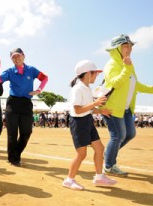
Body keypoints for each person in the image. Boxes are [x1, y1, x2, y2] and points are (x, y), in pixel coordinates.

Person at [102, 34, 153, 176]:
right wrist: (126, 67)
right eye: (125, 45)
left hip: (126, 109)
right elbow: (116, 83)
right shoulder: (111, 64)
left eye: (131, 46)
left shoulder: (128, 64)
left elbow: (135, 85)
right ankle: (109, 166)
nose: (129, 48)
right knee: (118, 136)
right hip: (112, 108)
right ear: (117, 48)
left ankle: (108, 154)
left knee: (130, 134)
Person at [62, 60, 117, 190]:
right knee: (81, 154)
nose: (96, 76)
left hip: (87, 121)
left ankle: (99, 177)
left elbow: (88, 109)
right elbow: (78, 110)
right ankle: (69, 180)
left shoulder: (87, 88)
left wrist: (100, 110)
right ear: (87, 74)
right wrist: (95, 103)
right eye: (95, 73)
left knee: (99, 149)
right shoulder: (78, 89)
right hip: (79, 124)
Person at [0, 49, 48, 166]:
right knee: (12, 133)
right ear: (11, 59)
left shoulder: (31, 70)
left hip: (26, 103)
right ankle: (13, 159)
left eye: (18, 56)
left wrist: (38, 90)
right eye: (13, 57)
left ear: (24, 56)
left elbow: (45, 78)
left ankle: (16, 153)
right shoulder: (10, 71)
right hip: (13, 103)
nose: (16, 59)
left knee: (26, 132)